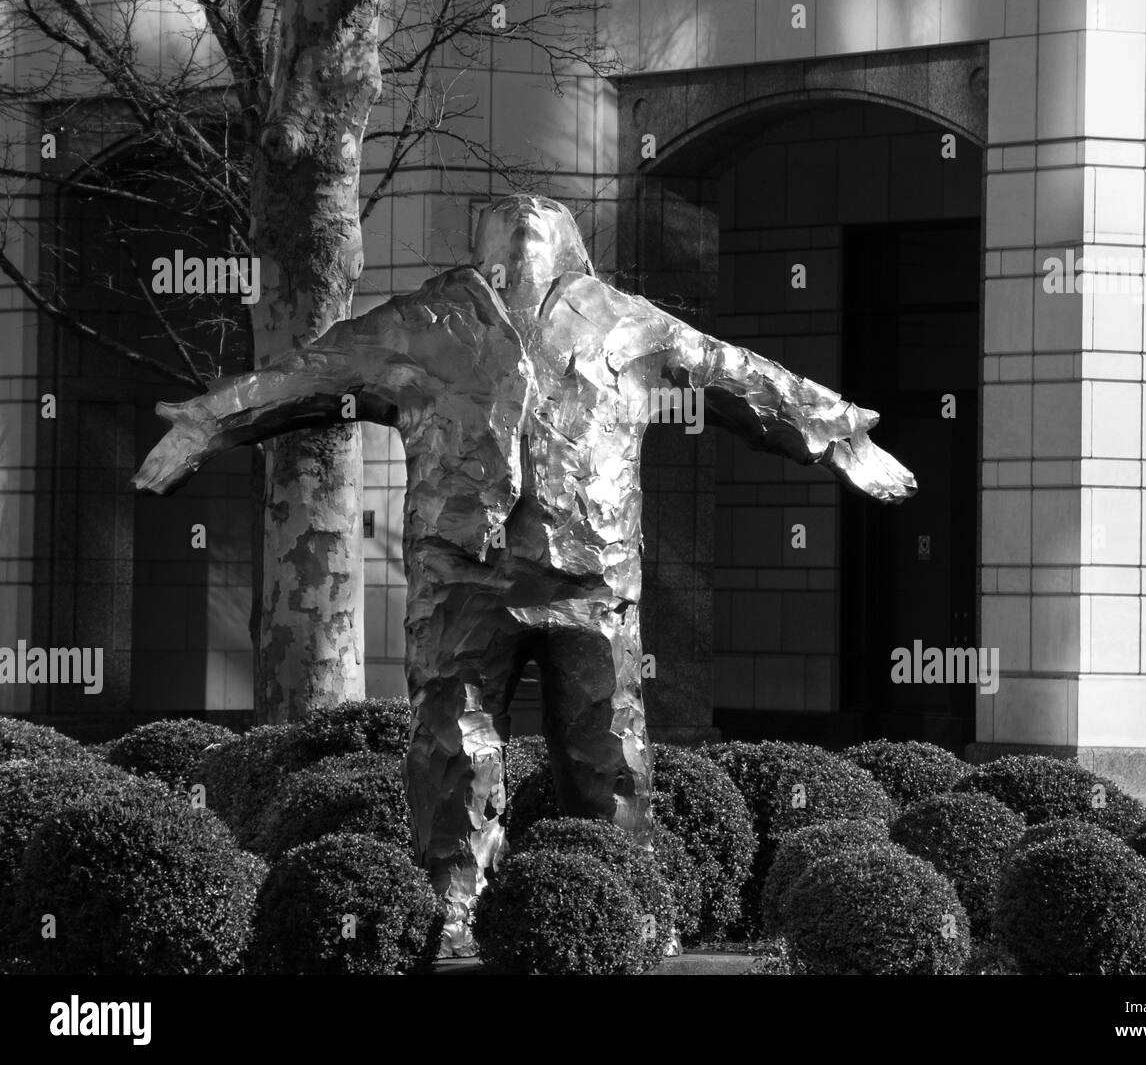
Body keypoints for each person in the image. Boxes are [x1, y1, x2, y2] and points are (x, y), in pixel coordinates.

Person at [133, 194, 917, 953]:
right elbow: (311, 372)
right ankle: (453, 907)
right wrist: (209, 419)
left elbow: (735, 374)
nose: (522, 247)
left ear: (569, 249)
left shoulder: (625, 319)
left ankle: (618, 902)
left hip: (591, 577)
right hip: (463, 579)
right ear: (482, 250)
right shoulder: (424, 321)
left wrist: (839, 432)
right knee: (452, 747)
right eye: (507, 235)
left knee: (606, 750)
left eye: (536, 235)